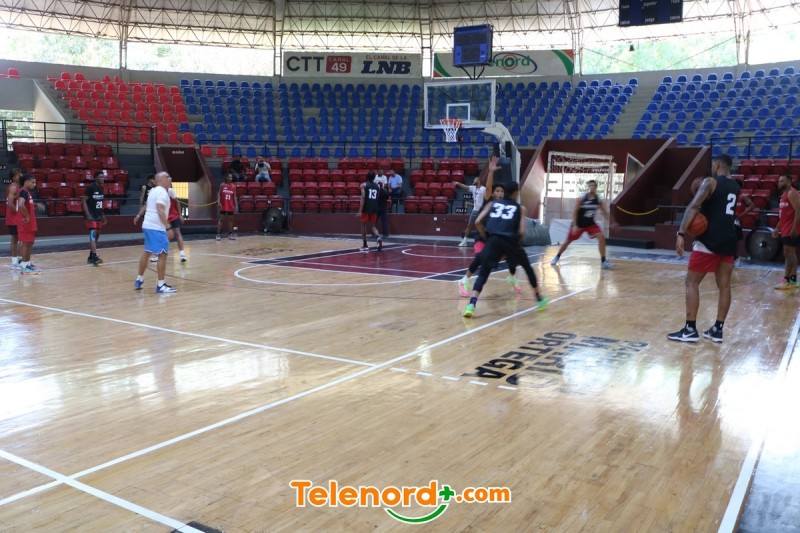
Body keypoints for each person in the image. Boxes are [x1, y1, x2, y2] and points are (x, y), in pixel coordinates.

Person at [668, 154, 740, 343]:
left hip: (709, 240)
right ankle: (717, 329)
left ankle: (690, 329)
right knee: (724, 286)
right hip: (729, 240)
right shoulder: (735, 186)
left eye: (713, 164)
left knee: (691, 282)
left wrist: (681, 232)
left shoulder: (710, 182)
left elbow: (693, 206)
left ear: (717, 165)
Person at [462, 182, 547, 318]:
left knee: (484, 272)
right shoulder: (521, 208)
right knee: (528, 268)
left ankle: (471, 304)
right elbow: (522, 232)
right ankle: (539, 299)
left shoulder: (492, 204)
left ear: (505, 192)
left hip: (493, 240)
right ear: (516, 193)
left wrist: (487, 238)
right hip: (510, 241)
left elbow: (477, 222)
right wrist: (514, 246)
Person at [549, 180, 615, 269]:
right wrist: (575, 225)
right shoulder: (582, 198)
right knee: (568, 241)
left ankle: (603, 261)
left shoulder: (598, 199)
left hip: (590, 224)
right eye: (590, 186)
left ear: (596, 187)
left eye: (594, 186)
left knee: (602, 238)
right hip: (579, 224)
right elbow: (575, 211)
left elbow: (604, 212)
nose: (592, 187)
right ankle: (557, 256)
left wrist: (611, 222)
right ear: (588, 187)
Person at [134, 171, 176, 293]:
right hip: (156, 228)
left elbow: (146, 205)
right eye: (167, 177)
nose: (170, 178)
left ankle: (139, 279)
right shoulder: (162, 192)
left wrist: (138, 215)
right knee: (163, 254)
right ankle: (161, 285)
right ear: (161, 180)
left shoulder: (153, 191)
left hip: (147, 225)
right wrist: (168, 227)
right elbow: (160, 209)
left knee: (147, 252)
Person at [771, 174, 800, 290]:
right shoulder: (784, 195)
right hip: (785, 228)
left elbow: (798, 210)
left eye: (782, 181)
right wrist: (777, 228)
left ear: (789, 182)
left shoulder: (792, 193)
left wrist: (794, 227)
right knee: (790, 254)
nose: (779, 183)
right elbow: (783, 215)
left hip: (791, 229)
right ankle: (793, 280)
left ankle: (787, 280)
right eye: (779, 181)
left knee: (789, 254)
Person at [16, 174, 44, 274]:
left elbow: (26, 204)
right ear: (26, 182)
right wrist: (27, 216)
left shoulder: (26, 192)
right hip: (25, 223)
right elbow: (21, 205)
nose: (34, 184)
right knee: (26, 243)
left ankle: (27, 264)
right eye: (33, 182)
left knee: (30, 243)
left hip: (30, 223)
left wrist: (35, 205)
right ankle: (24, 266)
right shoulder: (23, 192)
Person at [82, 170, 107, 266]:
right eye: (100, 177)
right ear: (95, 178)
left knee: (97, 235)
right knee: (93, 234)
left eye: (103, 177)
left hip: (98, 215)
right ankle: (95, 256)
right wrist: (87, 214)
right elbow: (83, 201)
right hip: (91, 215)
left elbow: (99, 203)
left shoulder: (101, 188)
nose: (102, 178)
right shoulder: (91, 187)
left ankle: (91, 256)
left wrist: (103, 215)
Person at [454, 176, 487, 247]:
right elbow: (465, 187)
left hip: (482, 210)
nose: (474, 181)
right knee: (469, 225)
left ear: (479, 181)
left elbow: (487, 197)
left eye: (475, 180)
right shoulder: (473, 188)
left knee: (482, 226)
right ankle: (464, 241)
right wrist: (458, 183)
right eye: (474, 180)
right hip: (475, 210)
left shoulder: (484, 189)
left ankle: (486, 241)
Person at [356, 171, 383, 252]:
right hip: (374, 208)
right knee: (373, 227)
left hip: (366, 208)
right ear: (374, 178)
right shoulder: (378, 186)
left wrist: (360, 211)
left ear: (367, 177)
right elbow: (377, 197)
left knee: (363, 226)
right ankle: (378, 237)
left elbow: (363, 198)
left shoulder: (363, 185)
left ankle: (365, 245)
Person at [135, 174, 158, 263]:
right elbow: (142, 197)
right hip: (147, 209)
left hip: (153, 210)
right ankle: (154, 251)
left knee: (154, 231)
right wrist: (141, 209)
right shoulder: (145, 187)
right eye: (152, 179)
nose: (153, 180)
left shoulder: (156, 188)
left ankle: (156, 253)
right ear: (149, 180)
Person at [5, 168, 22, 269]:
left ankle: (18, 260)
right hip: (13, 218)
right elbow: (10, 203)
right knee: (15, 240)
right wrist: (17, 213)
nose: (21, 175)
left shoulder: (17, 187)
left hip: (16, 217)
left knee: (19, 239)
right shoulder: (13, 187)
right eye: (18, 174)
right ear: (14, 177)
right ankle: (14, 262)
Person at [168, 187, 188, 263]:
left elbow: (177, 202)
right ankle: (157, 254)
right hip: (164, 217)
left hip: (174, 216)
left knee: (177, 233)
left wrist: (180, 215)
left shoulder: (170, 190)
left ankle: (182, 254)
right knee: (163, 235)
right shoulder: (156, 191)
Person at [217, 173, 238, 240]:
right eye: (229, 177)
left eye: (231, 177)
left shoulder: (233, 186)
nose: (231, 178)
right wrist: (218, 202)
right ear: (226, 178)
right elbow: (219, 194)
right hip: (223, 205)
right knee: (221, 220)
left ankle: (230, 234)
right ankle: (218, 234)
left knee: (231, 220)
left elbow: (234, 196)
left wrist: (236, 205)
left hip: (230, 205)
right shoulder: (222, 185)